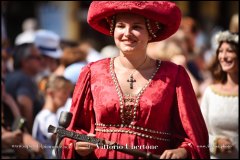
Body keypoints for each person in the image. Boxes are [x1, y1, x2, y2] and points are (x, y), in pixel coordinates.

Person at [61, 1, 210, 159]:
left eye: (137, 27)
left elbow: (194, 137)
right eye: (121, 26)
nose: (127, 33)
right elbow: (73, 131)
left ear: (151, 32)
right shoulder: (92, 72)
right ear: (113, 29)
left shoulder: (174, 75)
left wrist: (183, 151)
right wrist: (77, 144)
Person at [200, 31, 238, 159]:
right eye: (221, 51)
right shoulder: (211, 93)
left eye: (230, 51)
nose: (223, 56)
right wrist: (216, 143)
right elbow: (199, 133)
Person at [32, 75, 72, 158]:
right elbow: (61, 142)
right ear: (51, 93)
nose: (67, 97)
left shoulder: (45, 115)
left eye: (68, 93)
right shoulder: (48, 117)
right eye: (64, 92)